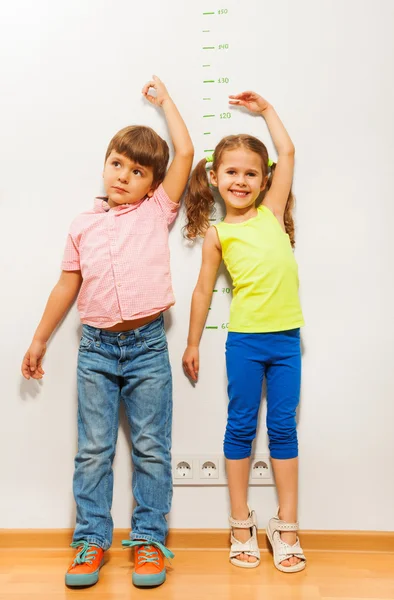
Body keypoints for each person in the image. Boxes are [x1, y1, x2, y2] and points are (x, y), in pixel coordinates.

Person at [21, 76, 194, 588]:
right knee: (93, 449)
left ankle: (147, 543)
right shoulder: (82, 225)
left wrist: (164, 102)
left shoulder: (156, 212)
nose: (124, 175)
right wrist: (38, 340)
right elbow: (65, 286)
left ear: (152, 183)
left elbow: (184, 151)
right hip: (95, 350)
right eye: (117, 163)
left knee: (151, 447)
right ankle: (91, 541)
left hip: (146, 348)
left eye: (138, 171)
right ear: (104, 164)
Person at [182, 90, 306, 573]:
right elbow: (201, 293)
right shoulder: (219, 234)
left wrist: (267, 110)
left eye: (250, 172)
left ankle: (287, 525)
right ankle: (240, 523)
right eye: (231, 172)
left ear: (265, 180)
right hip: (246, 343)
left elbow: (288, 152)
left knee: (282, 429)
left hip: (286, 339)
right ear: (214, 179)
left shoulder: (272, 214)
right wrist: (192, 342)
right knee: (240, 428)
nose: (240, 180)